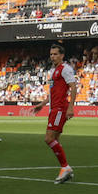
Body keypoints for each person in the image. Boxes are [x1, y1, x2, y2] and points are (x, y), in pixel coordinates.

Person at [31, 43, 77, 184]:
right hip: (54, 108)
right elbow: (53, 92)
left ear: (62, 55)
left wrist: (70, 107)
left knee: (49, 138)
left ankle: (65, 167)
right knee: (55, 139)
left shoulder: (65, 69)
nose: (52, 56)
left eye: (55, 54)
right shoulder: (53, 70)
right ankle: (65, 170)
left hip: (60, 108)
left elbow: (74, 87)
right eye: (51, 54)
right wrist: (43, 104)